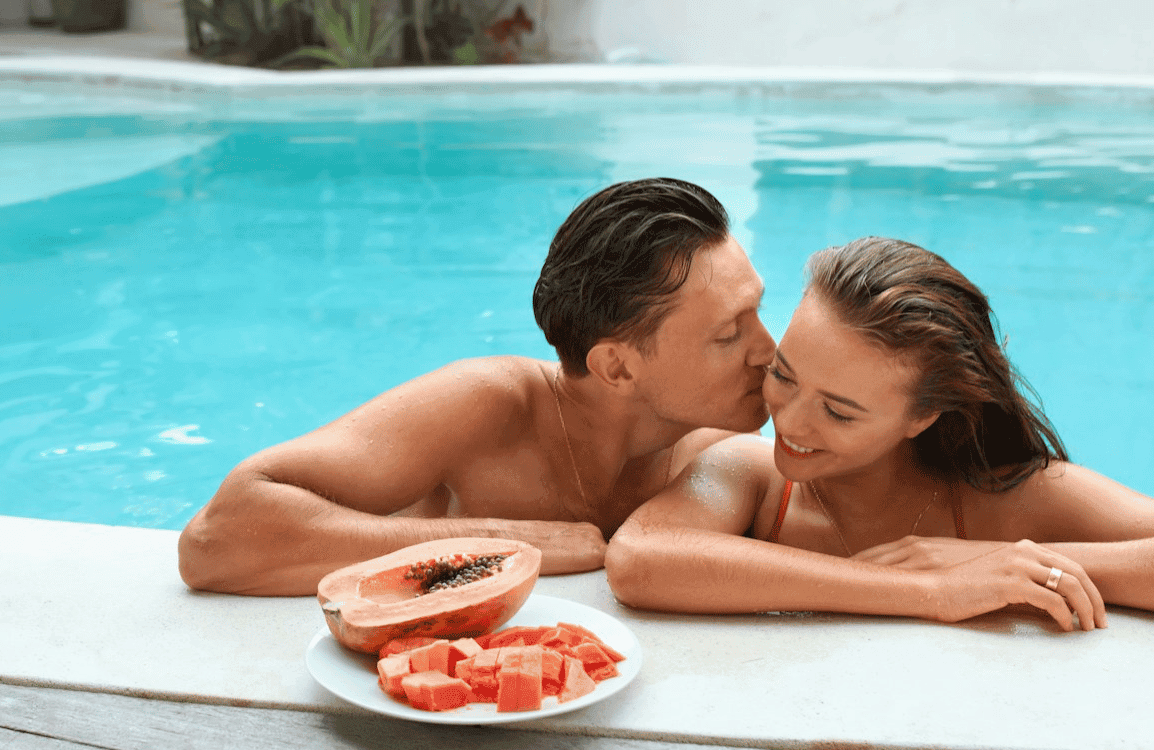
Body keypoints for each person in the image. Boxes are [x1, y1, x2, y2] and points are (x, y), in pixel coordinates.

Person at [606, 237, 1154, 633]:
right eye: (785, 375)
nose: (789, 420)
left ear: (922, 417)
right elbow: (641, 560)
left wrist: (1027, 563)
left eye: (840, 412)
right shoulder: (757, 477)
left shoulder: (1008, 501)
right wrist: (928, 592)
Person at [178, 178, 777, 595]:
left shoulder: (712, 454)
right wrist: (500, 541)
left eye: (757, 311)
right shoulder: (489, 406)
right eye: (730, 335)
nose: (771, 353)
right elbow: (216, 538)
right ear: (616, 367)